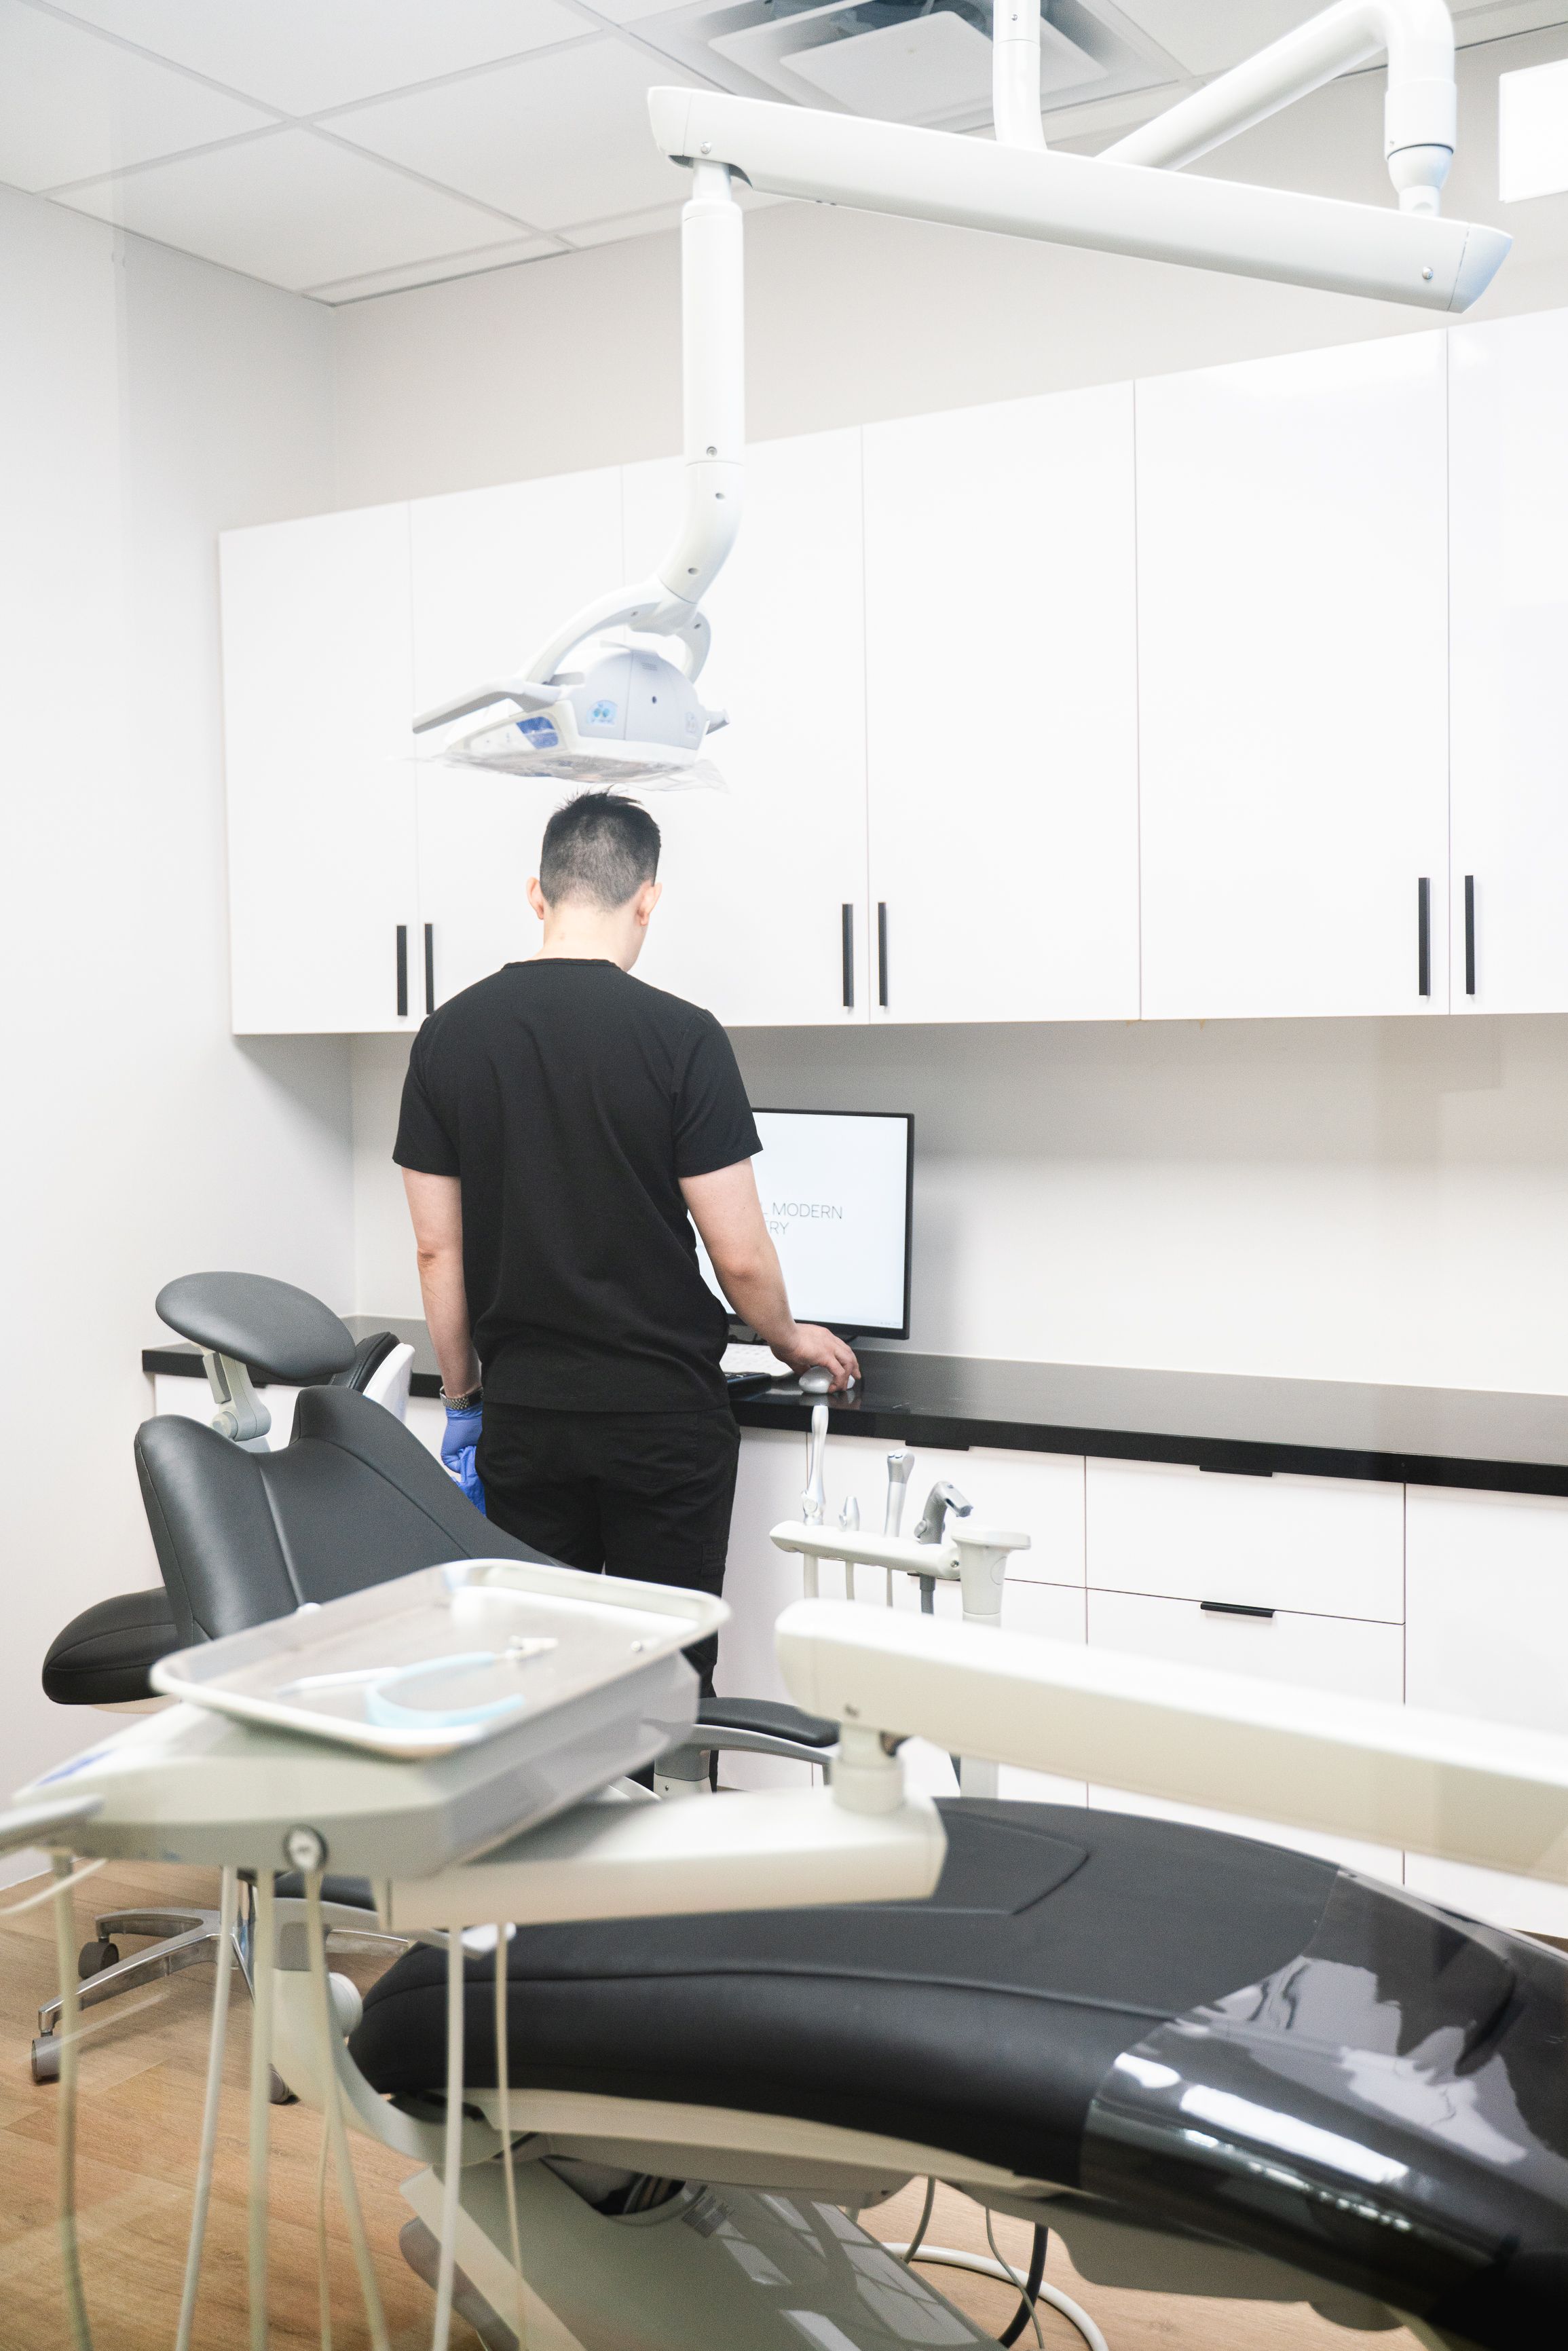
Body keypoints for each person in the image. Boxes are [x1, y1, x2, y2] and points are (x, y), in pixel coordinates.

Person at [394, 790, 858, 1686]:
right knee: (665, 1684)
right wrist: (787, 1338)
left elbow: (436, 1251)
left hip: (525, 1422)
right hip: (659, 1424)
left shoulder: (446, 1038)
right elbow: (740, 1254)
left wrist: (462, 1399)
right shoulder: (681, 1039)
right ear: (646, 897)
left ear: (538, 894)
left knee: (537, 1685)